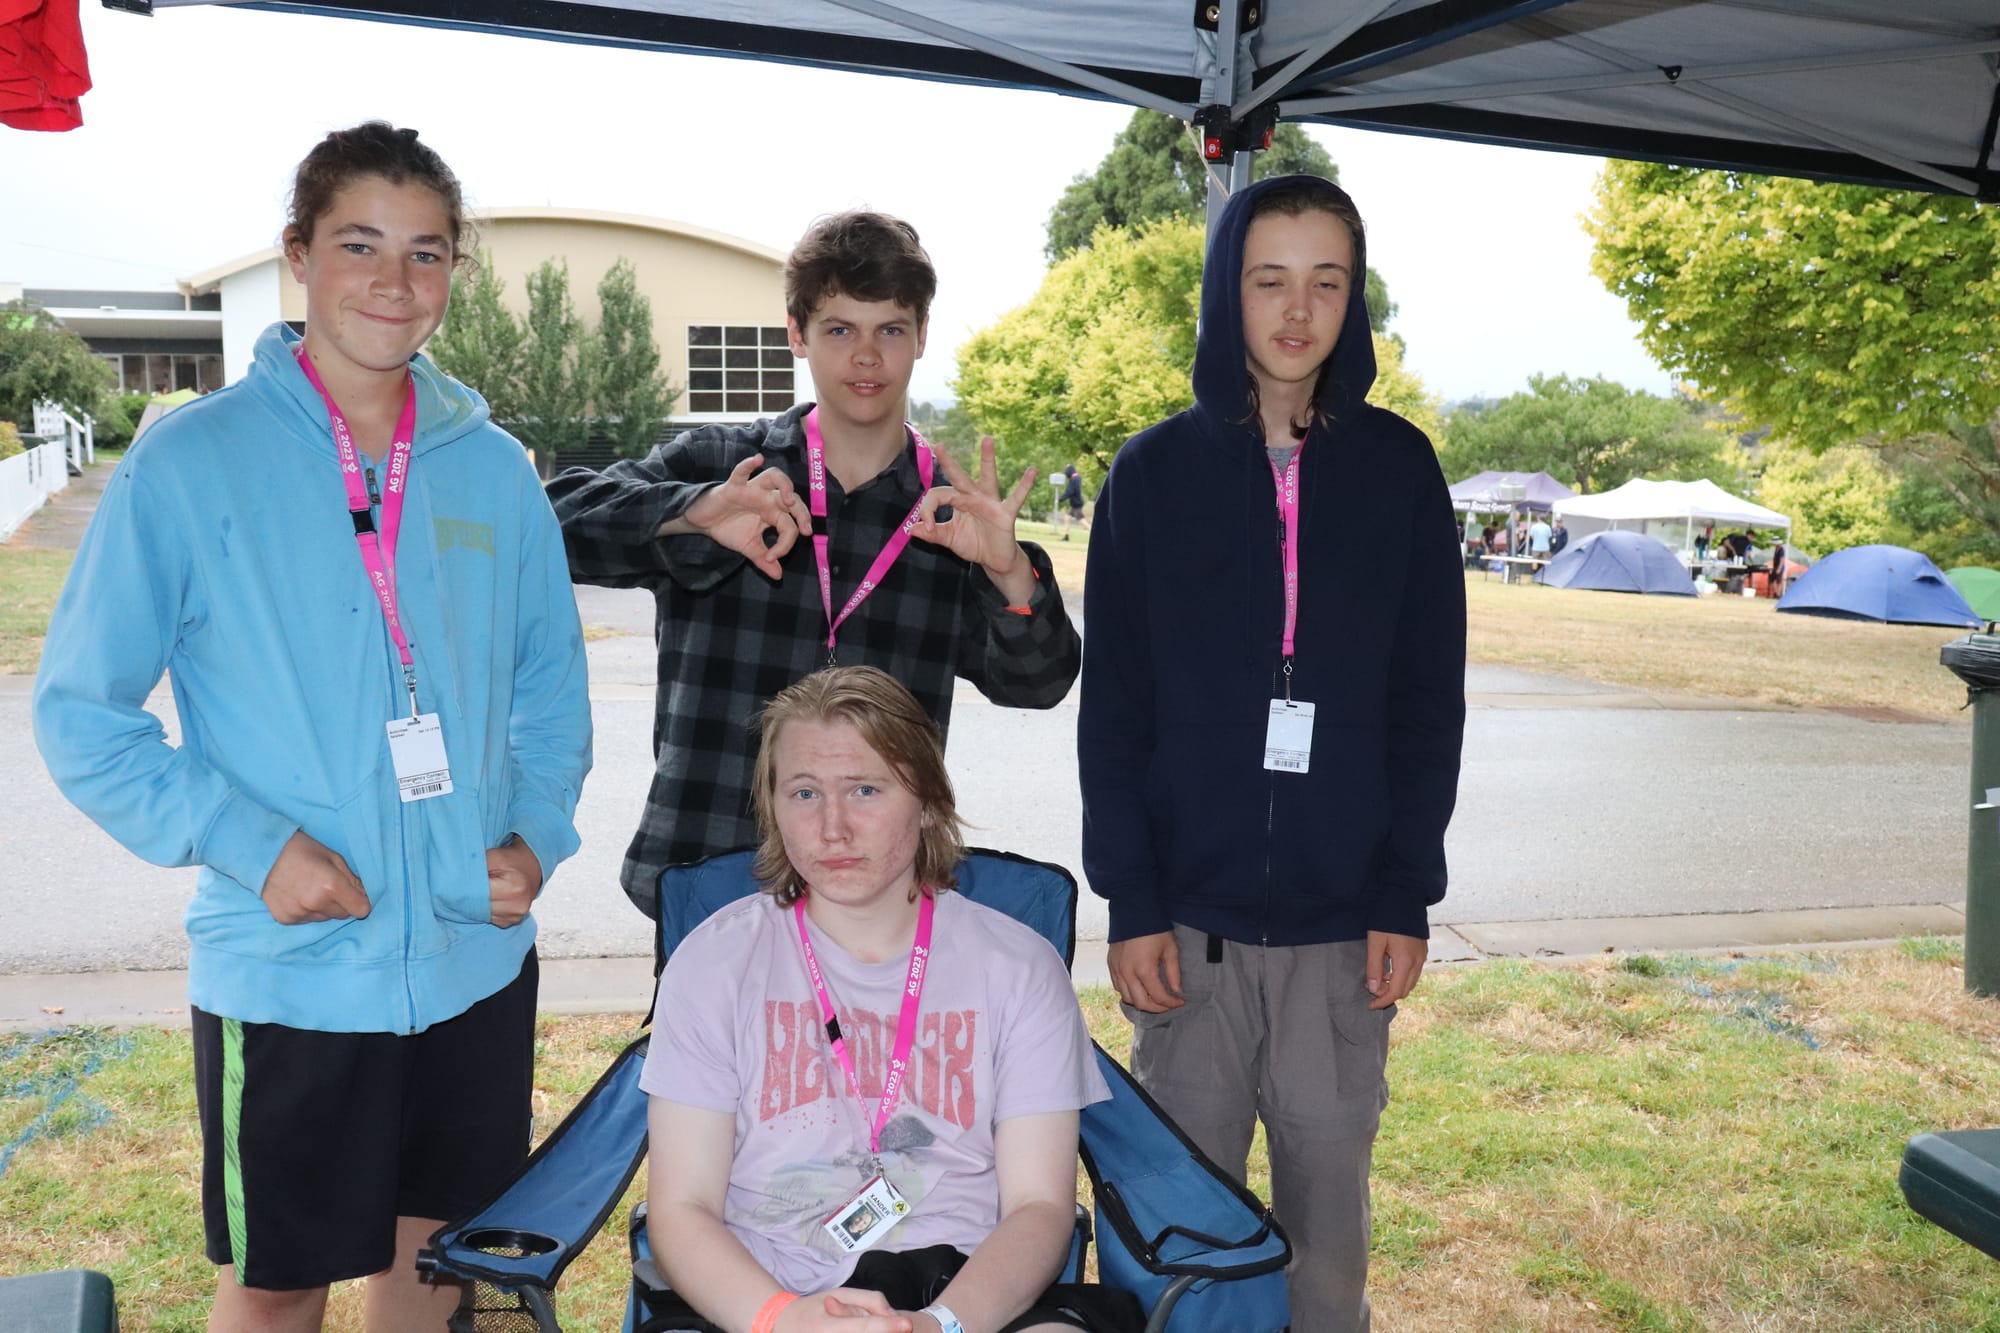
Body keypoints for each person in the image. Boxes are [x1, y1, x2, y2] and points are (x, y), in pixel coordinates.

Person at [32, 123, 593, 1331]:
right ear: (297, 255)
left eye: (427, 251)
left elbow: (550, 690)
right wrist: (252, 844)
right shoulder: (190, 462)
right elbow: (81, 713)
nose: (394, 280)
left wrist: (537, 832)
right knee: (277, 1286)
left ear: (454, 271)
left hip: (475, 961)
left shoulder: (494, 468)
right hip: (293, 974)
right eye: (359, 244)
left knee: (435, 1266)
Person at [1078, 175, 1465, 1332]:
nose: (1297, 311)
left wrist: (1402, 891)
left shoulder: (1400, 470)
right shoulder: (1150, 473)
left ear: (1353, 298)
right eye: (1268, 280)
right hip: (1184, 937)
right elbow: (1116, 712)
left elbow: (1424, 705)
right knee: (1183, 1245)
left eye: (1325, 282)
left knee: (1323, 1259)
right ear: (1224, 294)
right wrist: (1132, 900)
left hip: (1341, 939)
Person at [549, 212, 1080, 920]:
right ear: (796, 334)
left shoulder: (951, 514)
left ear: (922, 335)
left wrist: (1010, 571)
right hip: (710, 873)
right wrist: (690, 510)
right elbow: (551, 525)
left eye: (891, 330)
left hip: (878, 890)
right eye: (839, 330)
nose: (867, 356)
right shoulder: (725, 468)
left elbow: (1040, 684)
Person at [641, 666, 1137, 1333]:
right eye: (805, 792)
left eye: (865, 790)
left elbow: (1039, 1207)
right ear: (771, 805)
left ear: (927, 800)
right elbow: (683, 1207)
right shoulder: (713, 964)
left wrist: (938, 1324)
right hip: (764, 1292)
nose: (833, 827)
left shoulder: (1018, 967)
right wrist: (784, 1320)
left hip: (962, 1291)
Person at [1059, 464, 1087, 539]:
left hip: (1076, 503)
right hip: (1074, 503)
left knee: (1082, 521)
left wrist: (1060, 499)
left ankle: (1095, 534)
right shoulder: (1076, 478)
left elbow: (1070, 491)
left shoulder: (1074, 479)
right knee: (1067, 518)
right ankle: (1066, 536)